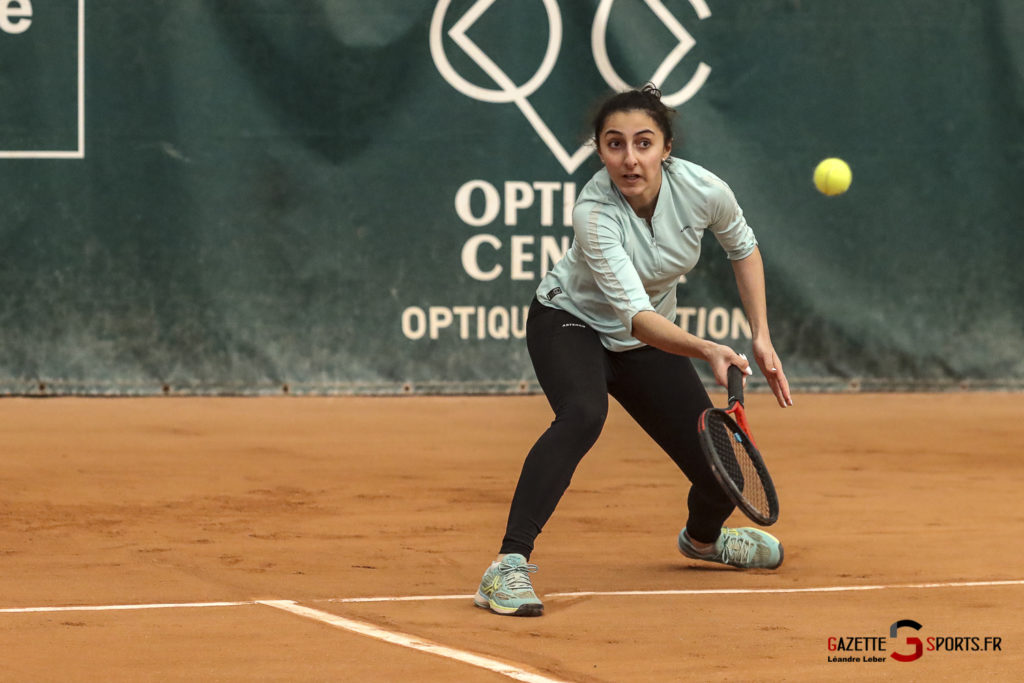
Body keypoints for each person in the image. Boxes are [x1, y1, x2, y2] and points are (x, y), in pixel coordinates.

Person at [474, 84, 793, 617]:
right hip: (569, 321)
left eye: (644, 143)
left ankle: (703, 540)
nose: (630, 158)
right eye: (614, 144)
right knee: (582, 415)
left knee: (724, 477)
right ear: (599, 151)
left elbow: (743, 247)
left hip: (645, 339)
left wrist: (760, 333)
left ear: (666, 148)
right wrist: (706, 348)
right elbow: (639, 319)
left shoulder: (704, 190)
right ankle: (506, 566)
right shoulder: (594, 213)